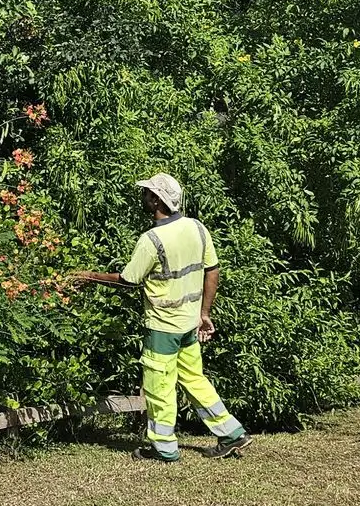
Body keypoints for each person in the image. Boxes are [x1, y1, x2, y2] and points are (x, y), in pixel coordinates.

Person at [67, 173, 250, 462]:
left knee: (159, 387)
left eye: (147, 193)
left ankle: (163, 447)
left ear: (156, 200)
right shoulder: (197, 228)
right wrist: (204, 313)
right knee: (195, 379)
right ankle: (231, 433)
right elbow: (212, 270)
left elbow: (128, 280)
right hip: (189, 324)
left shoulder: (152, 240)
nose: (143, 197)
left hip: (163, 327)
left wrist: (89, 276)